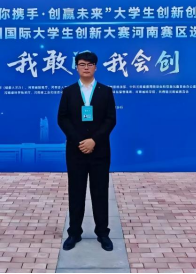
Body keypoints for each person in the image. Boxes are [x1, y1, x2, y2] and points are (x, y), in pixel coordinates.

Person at [58, 51, 117, 252]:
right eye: (82, 64)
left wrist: (94, 140)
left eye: (90, 64)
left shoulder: (106, 91)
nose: (86, 67)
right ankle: (74, 232)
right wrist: (79, 141)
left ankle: (103, 233)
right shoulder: (68, 91)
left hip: (100, 150)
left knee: (100, 192)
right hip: (76, 151)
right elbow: (62, 119)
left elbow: (110, 120)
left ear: (95, 67)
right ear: (76, 67)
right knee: (76, 192)